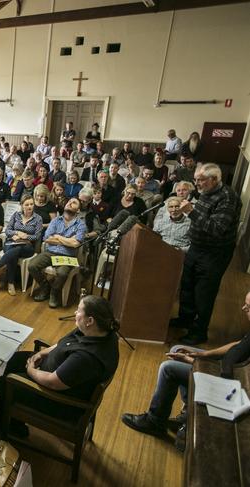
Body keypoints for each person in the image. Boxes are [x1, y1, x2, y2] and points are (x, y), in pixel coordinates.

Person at [122, 291, 250, 449]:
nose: (243, 308)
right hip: (221, 366)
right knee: (178, 348)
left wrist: (193, 361)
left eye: (248, 307)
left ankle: (155, 422)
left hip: (224, 382)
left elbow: (231, 377)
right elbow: (238, 344)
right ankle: (187, 413)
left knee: (168, 369)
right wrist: (203, 354)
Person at [0, 295, 119, 435]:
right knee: (14, 360)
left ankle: (12, 429)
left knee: (2, 384)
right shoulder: (98, 332)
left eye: (78, 311)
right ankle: (11, 417)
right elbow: (62, 344)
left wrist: (30, 371)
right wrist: (41, 354)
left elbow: (52, 382)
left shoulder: (87, 358)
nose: (75, 313)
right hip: (58, 373)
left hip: (60, 401)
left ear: (90, 320)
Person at [171, 163, 241, 345]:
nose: (197, 183)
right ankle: (185, 319)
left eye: (200, 180)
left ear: (214, 179)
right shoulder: (205, 192)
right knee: (188, 285)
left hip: (214, 253)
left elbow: (217, 228)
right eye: (195, 179)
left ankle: (199, 331)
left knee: (204, 292)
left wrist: (191, 213)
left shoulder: (227, 198)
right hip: (196, 247)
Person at [28, 198, 86, 308]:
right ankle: (45, 287)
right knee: (32, 265)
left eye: (74, 203)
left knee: (62, 273)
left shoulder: (81, 225)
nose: (69, 203)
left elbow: (75, 244)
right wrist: (67, 240)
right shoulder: (56, 221)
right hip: (50, 252)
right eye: (69, 202)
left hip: (67, 256)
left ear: (78, 210)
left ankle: (54, 293)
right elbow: (47, 238)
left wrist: (58, 236)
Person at [0, 195, 43, 296]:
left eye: (31, 204)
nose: (30, 206)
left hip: (27, 246)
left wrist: (25, 237)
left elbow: (37, 236)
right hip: (11, 242)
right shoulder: (16, 215)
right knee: (14, 252)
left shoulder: (38, 219)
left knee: (16, 250)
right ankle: (10, 283)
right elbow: (8, 230)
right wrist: (16, 233)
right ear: (22, 205)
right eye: (27, 204)